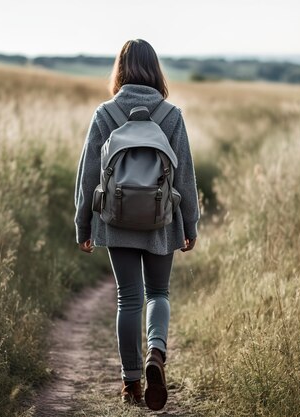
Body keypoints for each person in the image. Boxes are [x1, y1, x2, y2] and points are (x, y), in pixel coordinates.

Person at [74, 39, 200, 410]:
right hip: (162, 220)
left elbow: (88, 176)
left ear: (120, 70)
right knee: (158, 293)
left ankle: (131, 384)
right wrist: (189, 223)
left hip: (116, 219)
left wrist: (83, 225)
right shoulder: (171, 115)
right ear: (155, 70)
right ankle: (156, 354)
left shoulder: (105, 114)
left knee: (127, 298)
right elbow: (185, 177)